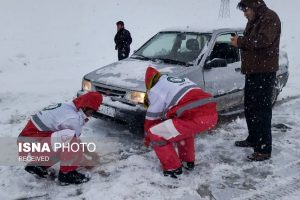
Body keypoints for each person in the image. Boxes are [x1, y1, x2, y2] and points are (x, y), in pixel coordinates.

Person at [143, 66, 218, 178]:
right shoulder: (178, 81)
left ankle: (173, 168)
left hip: (195, 116)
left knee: (156, 134)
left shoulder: (155, 90)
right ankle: (187, 161)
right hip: (211, 114)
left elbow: (152, 118)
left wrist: (148, 136)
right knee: (181, 129)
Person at [231, 0, 281, 161]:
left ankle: (264, 149)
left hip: (264, 72)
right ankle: (253, 138)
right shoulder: (254, 20)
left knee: (262, 111)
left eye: (246, 10)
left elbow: (263, 41)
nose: (245, 14)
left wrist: (240, 42)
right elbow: (252, 42)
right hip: (253, 71)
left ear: (254, 7)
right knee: (250, 107)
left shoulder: (270, 18)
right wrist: (241, 42)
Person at [18, 91, 102, 185]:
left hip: (27, 144)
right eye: (93, 111)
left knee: (63, 142)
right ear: (86, 106)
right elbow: (74, 144)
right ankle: (67, 174)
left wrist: (89, 153)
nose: (92, 114)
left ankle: (38, 166)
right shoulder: (72, 119)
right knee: (68, 138)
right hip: (31, 146)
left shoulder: (66, 107)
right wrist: (87, 161)